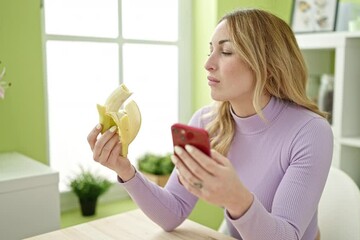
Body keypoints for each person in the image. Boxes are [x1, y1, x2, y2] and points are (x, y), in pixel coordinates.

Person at [87, 8, 333, 240]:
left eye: (225, 52)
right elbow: (172, 212)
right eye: (210, 50)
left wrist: (237, 199)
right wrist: (125, 171)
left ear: (267, 66)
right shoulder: (207, 121)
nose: (208, 64)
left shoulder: (310, 132)